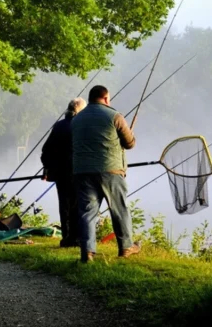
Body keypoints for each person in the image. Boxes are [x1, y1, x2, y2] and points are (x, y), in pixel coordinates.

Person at [71, 85, 140, 262]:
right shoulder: (115, 116)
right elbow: (130, 143)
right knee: (119, 209)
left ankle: (87, 252)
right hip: (111, 170)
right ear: (106, 98)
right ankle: (126, 247)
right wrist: (131, 135)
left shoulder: (76, 119)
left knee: (87, 212)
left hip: (82, 171)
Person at [41, 97, 87, 247]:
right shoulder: (80, 126)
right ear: (80, 111)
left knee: (64, 206)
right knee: (77, 206)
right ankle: (76, 238)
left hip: (60, 174)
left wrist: (47, 168)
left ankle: (67, 237)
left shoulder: (59, 126)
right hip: (77, 172)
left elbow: (46, 150)